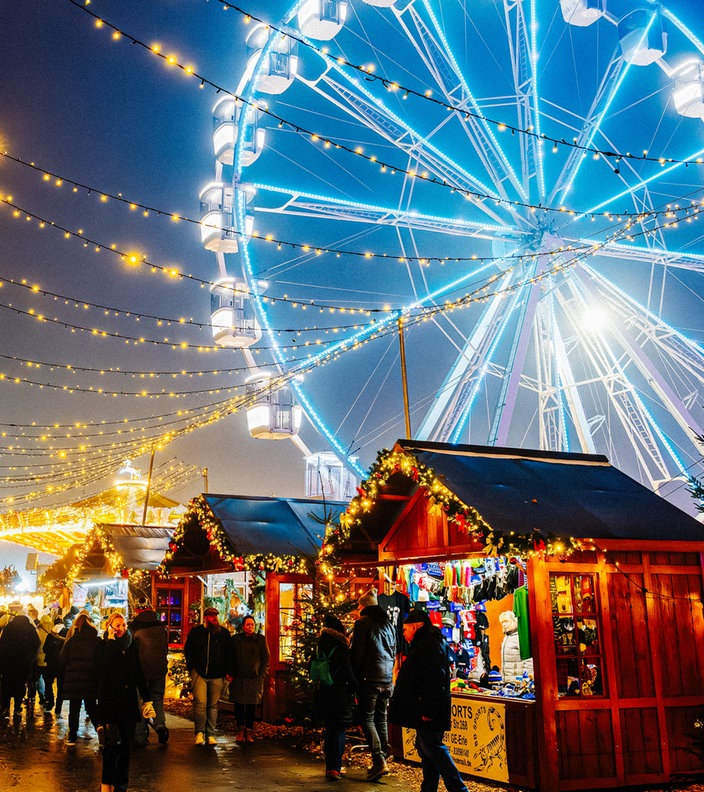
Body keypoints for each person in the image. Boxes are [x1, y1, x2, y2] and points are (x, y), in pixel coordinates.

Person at [388, 610, 469, 792]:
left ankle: (458, 789)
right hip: (427, 706)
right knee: (427, 748)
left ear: (416, 626)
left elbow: (433, 679)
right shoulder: (428, 643)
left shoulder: (428, 645)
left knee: (433, 747)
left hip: (430, 708)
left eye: (405, 629)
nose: (404, 634)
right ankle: (429, 788)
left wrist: (429, 710)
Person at [97, 611, 154, 792]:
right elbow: (105, 666)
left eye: (123, 625)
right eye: (117, 626)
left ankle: (121, 783)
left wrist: (147, 698)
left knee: (126, 746)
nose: (121, 629)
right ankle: (107, 781)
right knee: (111, 744)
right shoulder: (104, 645)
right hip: (110, 702)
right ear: (110, 627)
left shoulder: (132, 646)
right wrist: (112, 642)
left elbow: (138, 672)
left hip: (128, 703)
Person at [350, 588, 396, 781]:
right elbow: (393, 651)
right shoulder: (389, 624)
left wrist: (354, 677)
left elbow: (358, 654)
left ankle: (379, 761)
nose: (358, 608)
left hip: (369, 678)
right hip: (386, 678)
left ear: (365, 606)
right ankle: (382, 759)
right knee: (380, 719)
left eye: (360, 605)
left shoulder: (362, 623)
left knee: (367, 719)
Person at [312, 614, 356, 782]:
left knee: (330, 729)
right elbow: (347, 671)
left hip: (324, 692)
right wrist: (354, 686)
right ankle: (335, 768)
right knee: (338, 730)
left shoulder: (319, 644)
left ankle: (329, 766)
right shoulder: (340, 646)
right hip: (339, 693)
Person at [184, 606, 231, 746]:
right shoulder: (196, 632)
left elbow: (229, 653)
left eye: (215, 615)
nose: (213, 618)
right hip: (200, 673)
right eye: (210, 616)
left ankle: (210, 733)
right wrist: (192, 668)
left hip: (217, 674)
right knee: (200, 703)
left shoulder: (224, 634)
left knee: (213, 705)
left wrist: (228, 671)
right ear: (205, 617)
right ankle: (200, 732)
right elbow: (188, 650)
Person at [129, 600, 169, 745]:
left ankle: (139, 734)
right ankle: (160, 725)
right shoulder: (160, 627)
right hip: (159, 669)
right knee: (157, 699)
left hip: (141, 671)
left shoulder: (134, 628)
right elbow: (165, 648)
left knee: (140, 701)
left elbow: (132, 650)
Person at [59, 610, 101, 745]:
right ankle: (100, 728)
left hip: (74, 680)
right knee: (92, 707)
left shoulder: (71, 641)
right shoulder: (96, 641)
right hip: (90, 680)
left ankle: (72, 737)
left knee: (74, 709)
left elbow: (62, 659)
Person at [229, 614, 270, 744]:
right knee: (239, 705)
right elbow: (230, 656)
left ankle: (250, 731)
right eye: (248, 625)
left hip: (254, 678)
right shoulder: (236, 640)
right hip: (239, 678)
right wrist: (230, 673)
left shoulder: (260, 640)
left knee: (252, 707)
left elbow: (266, 658)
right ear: (243, 626)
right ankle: (240, 730)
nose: (250, 627)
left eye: (252, 625)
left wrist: (262, 674)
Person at [0, 604, 40, 719]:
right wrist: (31, 659)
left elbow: (2, 644)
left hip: (8, 663)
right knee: (20, 685)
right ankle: (17, 707)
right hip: (23, 664)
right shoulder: (31, 629)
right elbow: (36, 644)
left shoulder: (9, 627)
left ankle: (5, 707)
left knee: (6, 685)